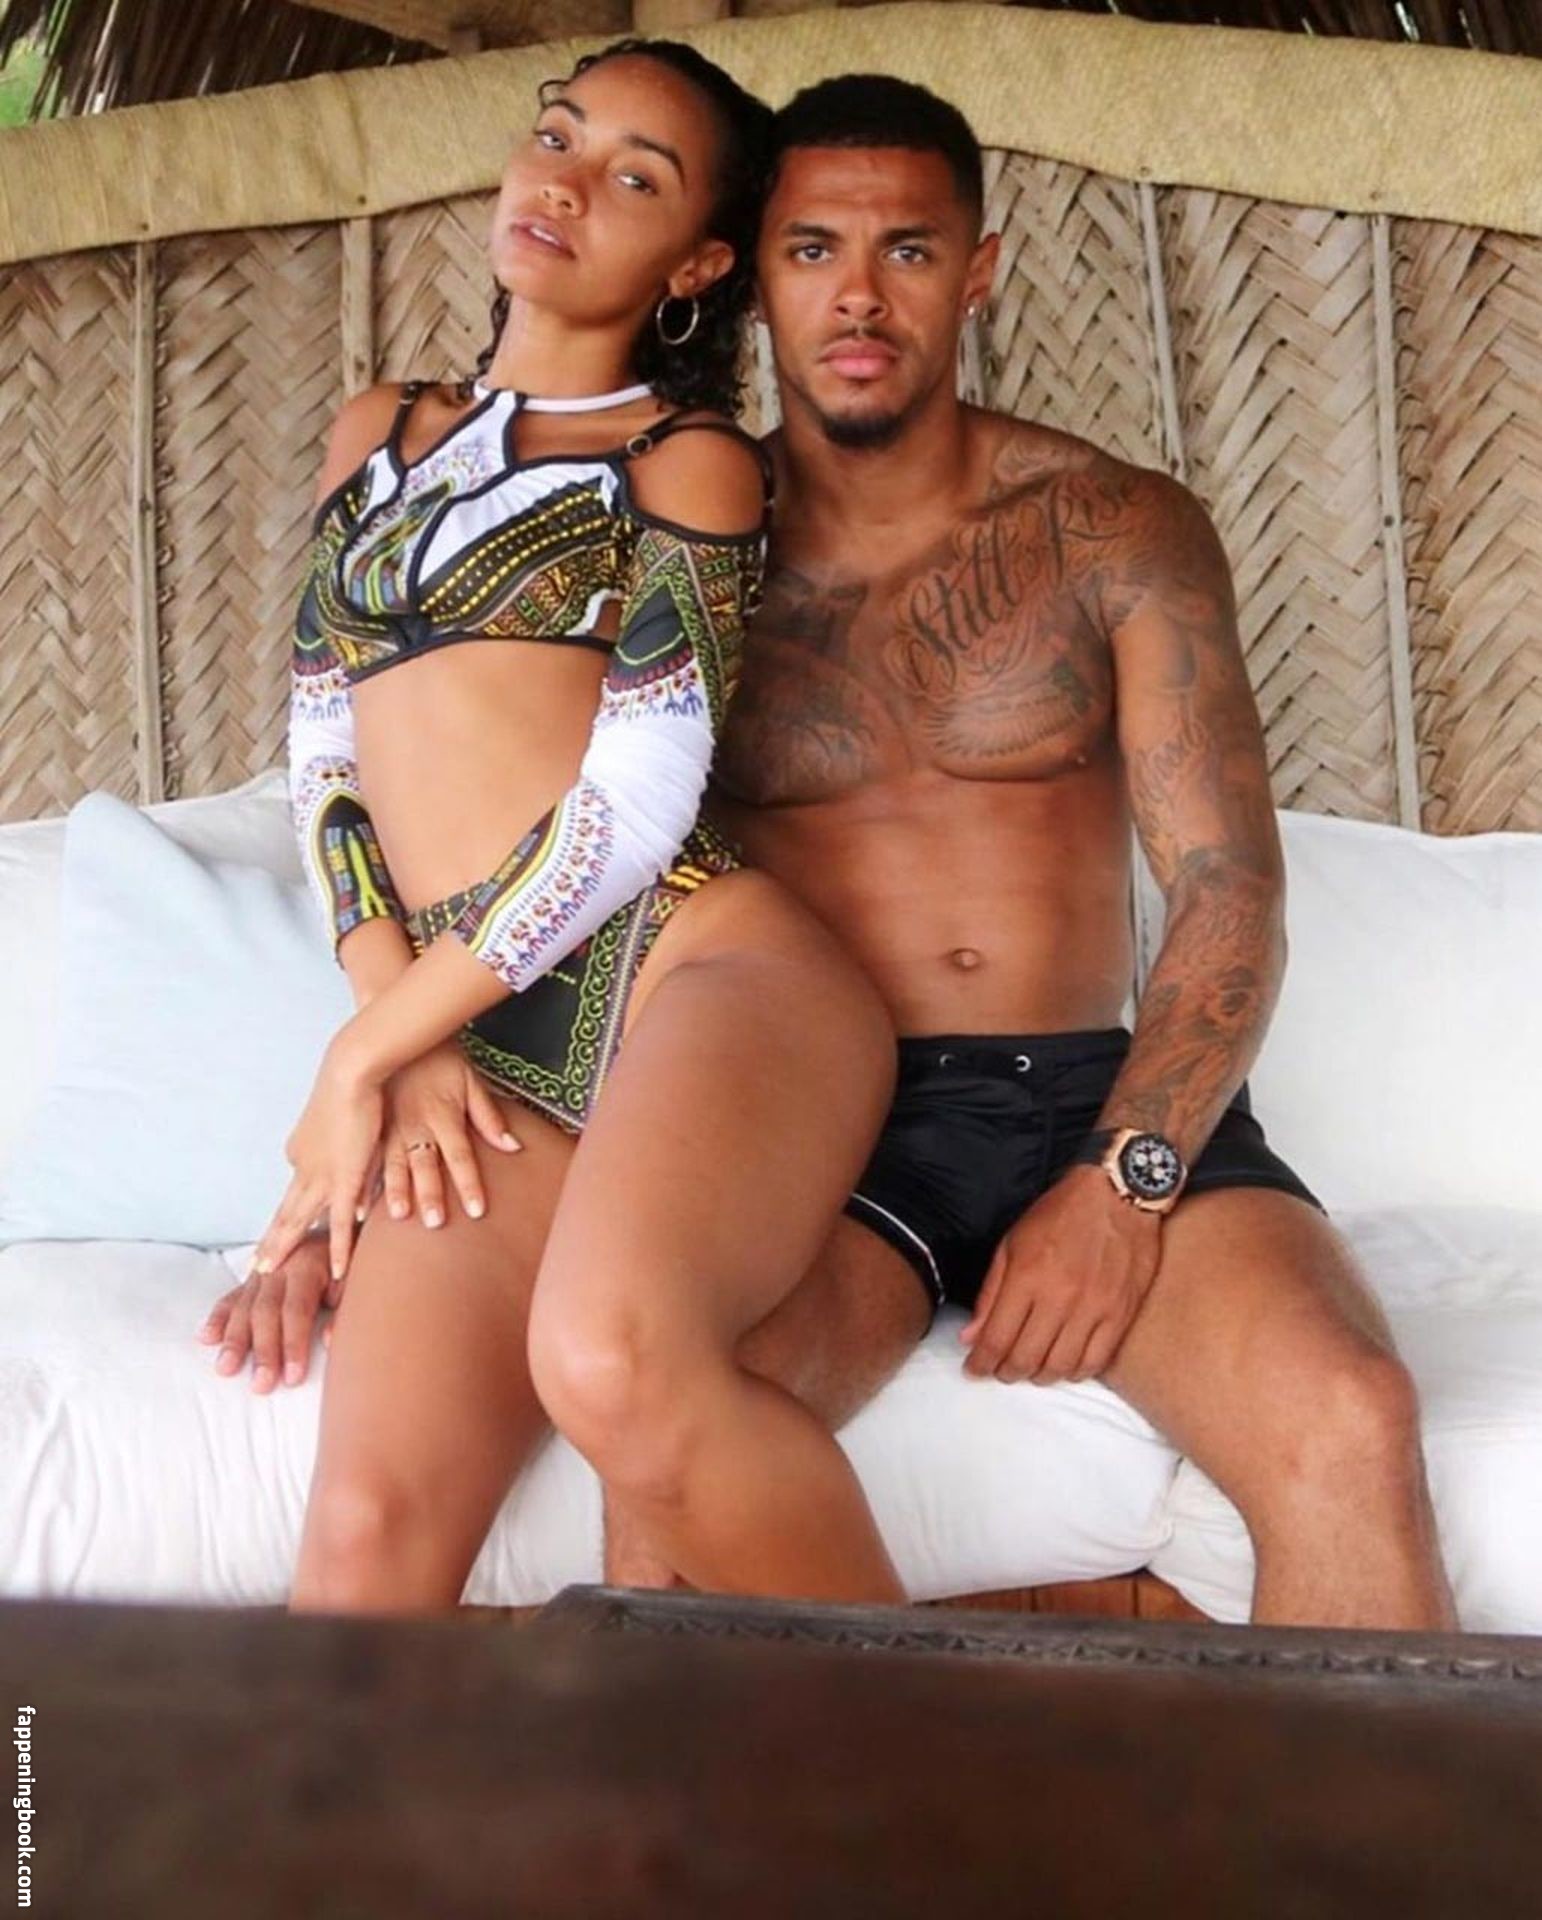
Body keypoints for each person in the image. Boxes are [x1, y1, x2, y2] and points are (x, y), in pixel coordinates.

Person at [208, 71, 1455, 1630]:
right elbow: (473, 803)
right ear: (744, 270)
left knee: (1351, 1418)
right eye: (811, 250)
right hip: (825, 1122)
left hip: (1086, 1089)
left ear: (976, 271)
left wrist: (1123, 1180)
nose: (857, 297)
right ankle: (887, 1783)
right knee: (656, 1470)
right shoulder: (675, 513)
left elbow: (1225, 887)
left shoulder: (1108, 524)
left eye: (907, 251)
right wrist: (375, 1149)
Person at [234, 39, 906, 1613]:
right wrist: (400, 1037)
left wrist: (364, 1053)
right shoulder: (376, 429)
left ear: (696, 263)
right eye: (557, 136)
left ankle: (951, 1762)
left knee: (609, 1360)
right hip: (478, 1034)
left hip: (698, 976)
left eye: (634, 177)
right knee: (362, 1538)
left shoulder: (687, 462)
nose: (565, 183)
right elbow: (325, 751)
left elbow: (634, 804)